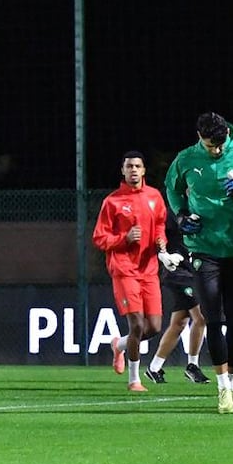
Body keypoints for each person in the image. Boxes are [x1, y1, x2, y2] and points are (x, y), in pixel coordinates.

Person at [165, 112, 233, 414]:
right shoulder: (185, 159)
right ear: (200, 137)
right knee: (214, 319)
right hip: (204, 250)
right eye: (212, 145)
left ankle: (232, 386)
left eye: (221, 144)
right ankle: (222, 389)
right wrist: (181, 215)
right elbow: (172, 189)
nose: (218, 150)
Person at [93, 151, 181, 392]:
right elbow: (99, 238)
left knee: (154, 327)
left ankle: (119, 345)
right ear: (122, 171)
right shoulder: (112, 202)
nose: (133, 170)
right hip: (124, 270)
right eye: (129, 166)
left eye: (137, 166)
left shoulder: (154, 197)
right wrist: (124, 238)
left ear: (143, 170)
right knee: (137, 325)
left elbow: (160, 226)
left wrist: (161, 243)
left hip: (149, 270)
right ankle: (134, 380)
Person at [139, 212, 210, 386]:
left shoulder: (199, 208)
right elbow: (158, 234)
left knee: (179, 323)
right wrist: (164, 254)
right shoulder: (171, 212)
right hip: (177, 271)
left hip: (191, 271)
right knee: (201, 317)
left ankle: (154, 368)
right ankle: (192, 366)